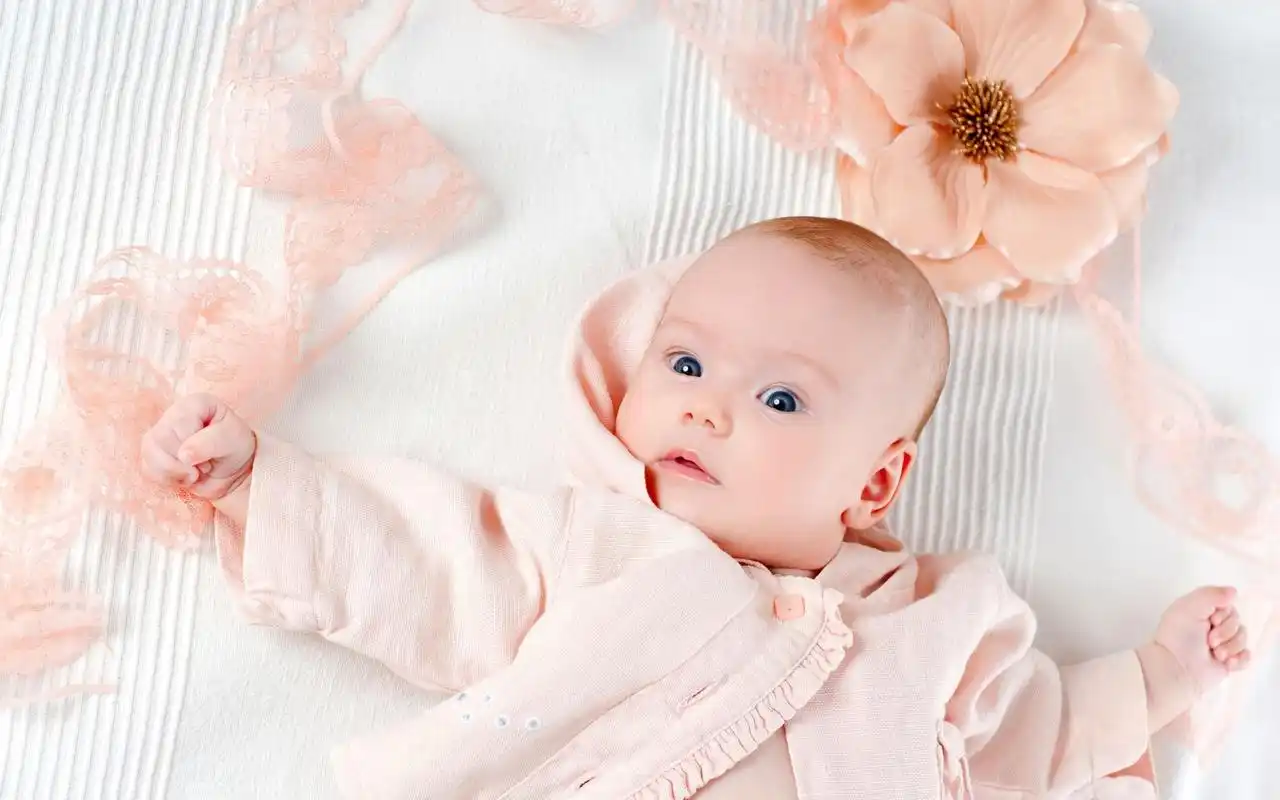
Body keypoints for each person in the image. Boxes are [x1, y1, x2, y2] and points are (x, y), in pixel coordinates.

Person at [142, 217, 1251, 799]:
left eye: (779, 398)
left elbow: (1039, 729)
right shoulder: (602, 550)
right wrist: (258, 483)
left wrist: (1161, 674)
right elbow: (424, 563)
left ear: (873, 483)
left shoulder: (936, 625)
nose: (705, 409)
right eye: (683, 363)